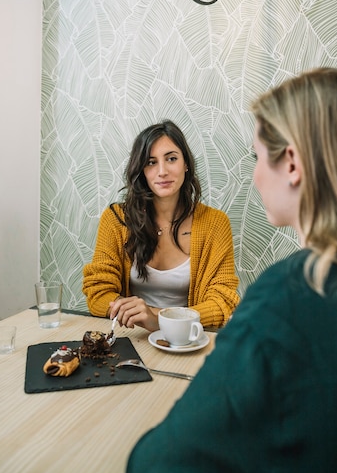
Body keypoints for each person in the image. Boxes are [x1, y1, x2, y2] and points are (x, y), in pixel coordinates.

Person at [125, 67, 337, 473]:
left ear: (291, 163)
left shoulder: (287, 296)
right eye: (151, 162)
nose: (254, 175)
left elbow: (154, 471)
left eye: (256, 157)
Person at [83, 120, 240, 332]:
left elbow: (222, 301)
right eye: (151, 162)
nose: (162, 171)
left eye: (171, 159)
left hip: (189, 339)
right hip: (131, 336)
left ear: (186, 164)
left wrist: (157, 319)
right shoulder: (116, 219)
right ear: (141, 170)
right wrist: (142, 317)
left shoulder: (215, 223)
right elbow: (98, 293)